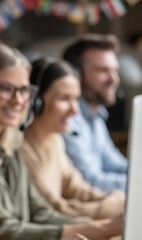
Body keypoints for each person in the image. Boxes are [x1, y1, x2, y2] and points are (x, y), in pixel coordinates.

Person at [0, 41, 123, 240]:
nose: (18, 100)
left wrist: (102, 226)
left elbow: (39, 212)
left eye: (24, 90)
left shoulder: (9, 144)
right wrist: (102, 229)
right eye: (6, 88)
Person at [21, 57, 125, 219]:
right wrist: (117, 203)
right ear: (36, 102)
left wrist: (117, 197)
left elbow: (79, 190)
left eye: (76, 99)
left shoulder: (54, 141)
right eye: (64, 99)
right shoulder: (22, 150)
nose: (75, 110)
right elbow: (56, 210)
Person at [62, 33, 128, 192]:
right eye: (103, 70)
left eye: (115, 70)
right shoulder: (66, 118)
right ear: (76, 74)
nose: (113, 79)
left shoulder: (96, 114)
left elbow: (113, 164)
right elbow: (89, 181)